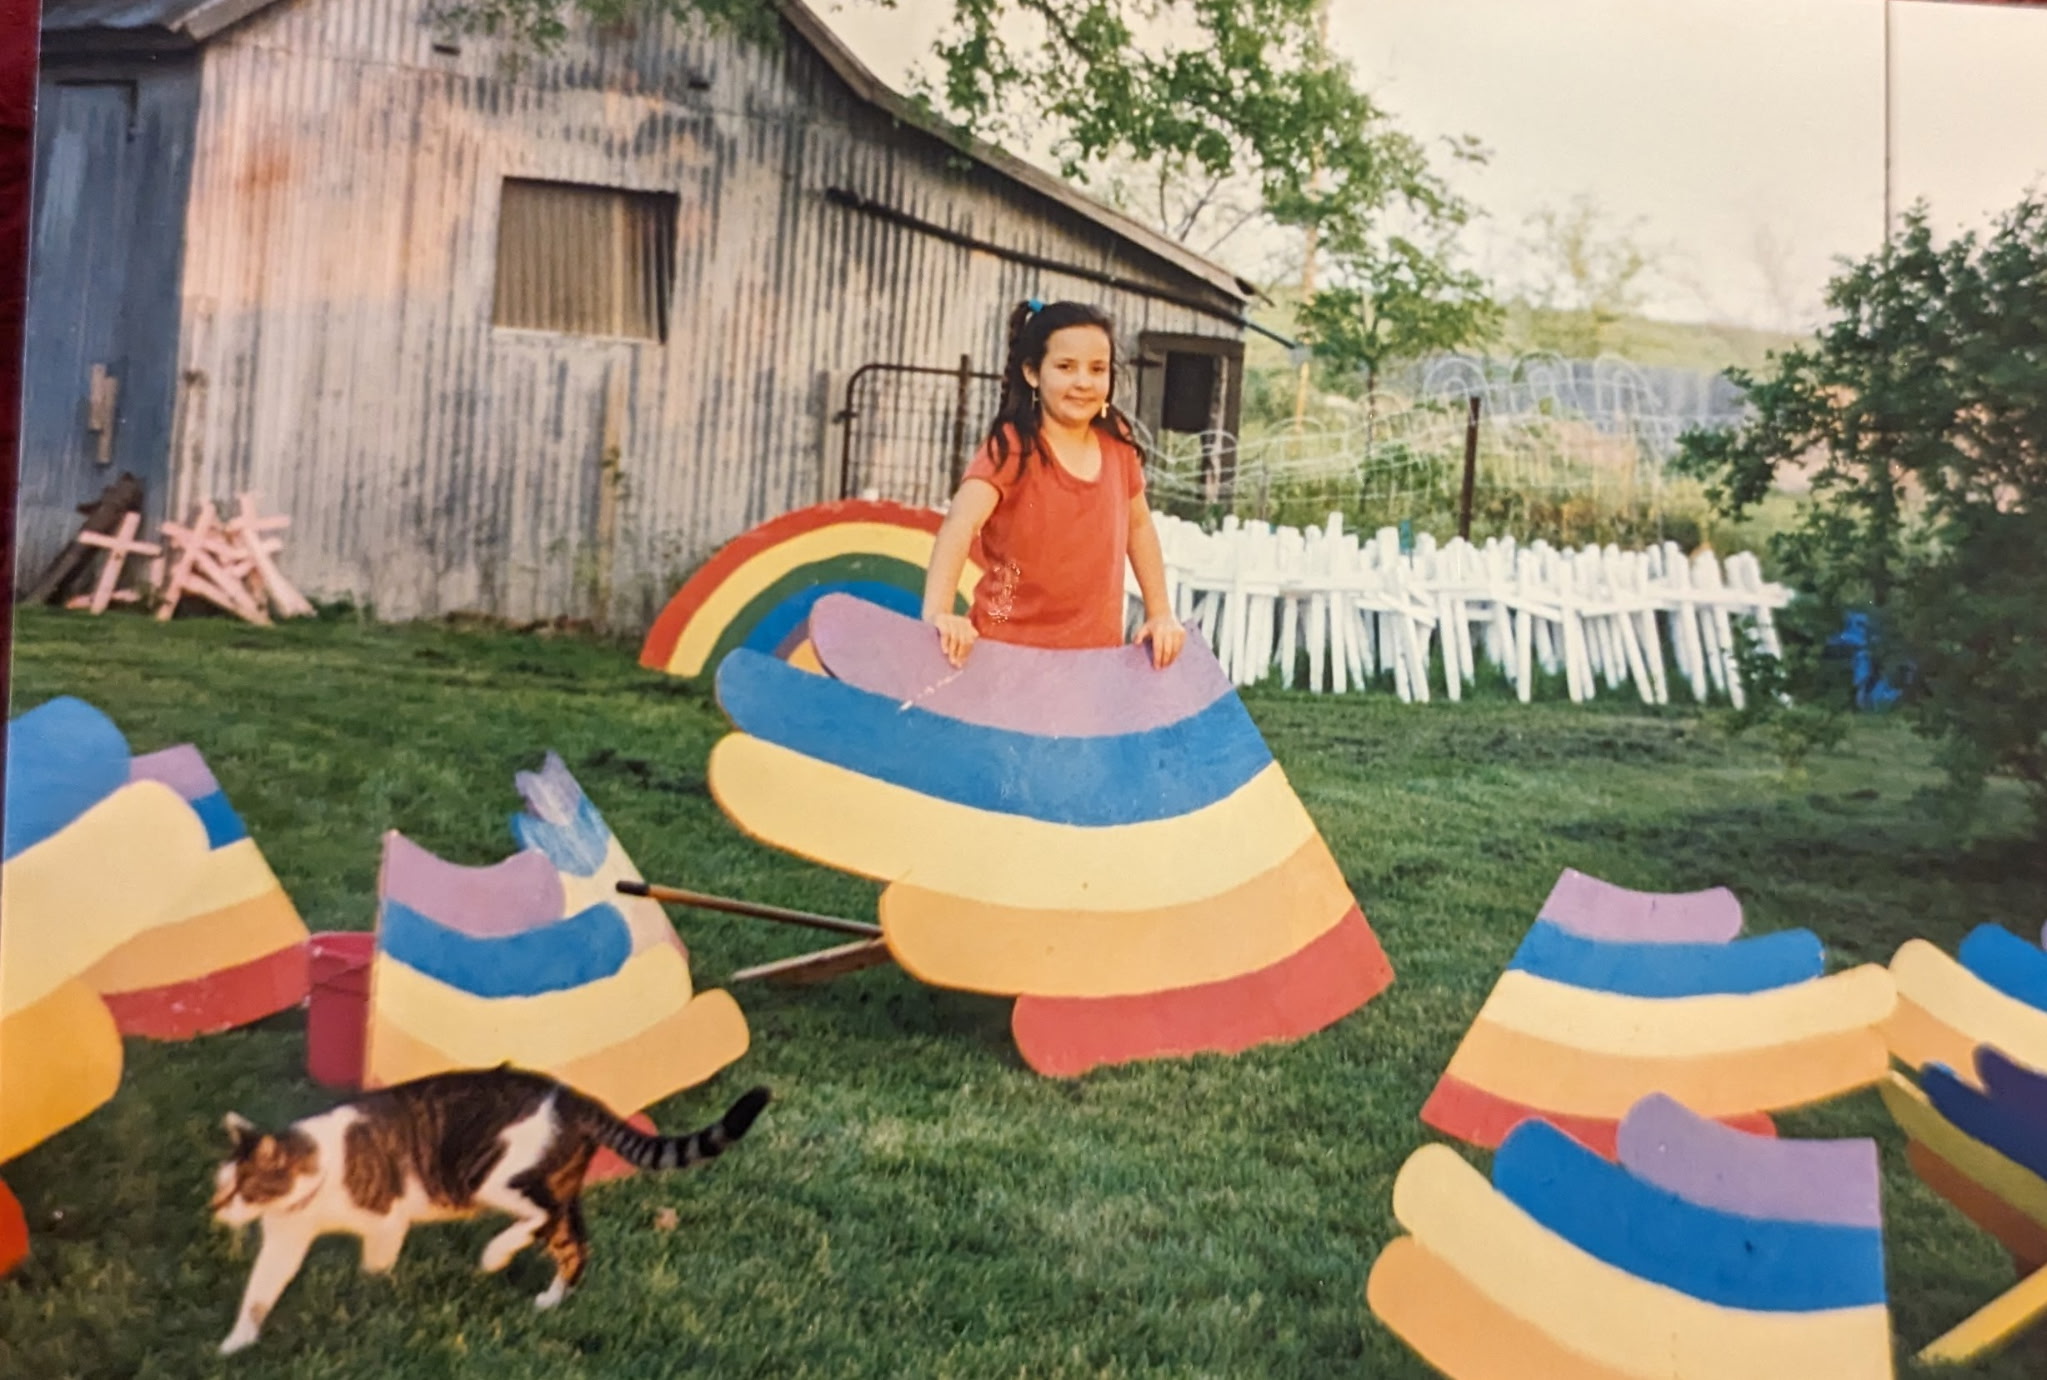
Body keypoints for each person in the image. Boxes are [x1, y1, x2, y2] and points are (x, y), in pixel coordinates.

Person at [921, 299, 1187, 670]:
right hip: (1004, 655)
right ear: (1032, 372)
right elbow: (958, 526)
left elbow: (1139, 526)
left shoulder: (1117, 442)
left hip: (1093, 662)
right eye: (1065, 367)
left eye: (1097, 369)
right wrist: (939, 613)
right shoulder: (1013, 447)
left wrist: (1160, 613)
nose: (1083, 382)